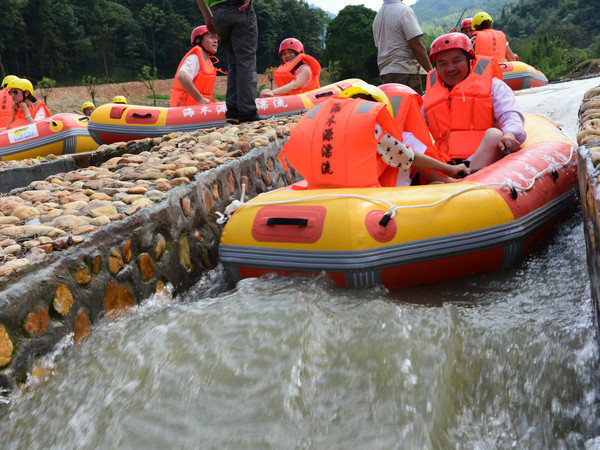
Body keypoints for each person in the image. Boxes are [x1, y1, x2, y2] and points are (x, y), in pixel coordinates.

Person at [278, 84, 468, 189]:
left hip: (328, 193)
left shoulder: (328, 129)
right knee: (434, 184)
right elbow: (406, 157)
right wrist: (449, 170)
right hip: (375, 200)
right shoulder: (373, 128)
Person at [423, 33, 526, 170]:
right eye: (442, 64)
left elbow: (510, 114)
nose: (450, 68)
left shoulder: (493, 85)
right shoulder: (428, 97)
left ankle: (472, 177)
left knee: (494, 135)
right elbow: (415, 131)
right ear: (436, 68)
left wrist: (509, 134)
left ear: (469, 60)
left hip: (485, 158)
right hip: (447, 165)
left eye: (457, 61)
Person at [196, 0, 260, 123]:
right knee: (245, 60)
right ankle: (247, 112)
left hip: (217, 12)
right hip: (238, 7)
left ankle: (233, 111)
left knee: (234, 61)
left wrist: (207, 16)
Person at [372, 0, 432, 95]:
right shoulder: (404, 10)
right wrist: (431, 72)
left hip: (386, 74)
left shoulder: (377, 17)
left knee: (395, 109)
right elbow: (416, 45)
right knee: (413, 108)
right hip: (405, 71)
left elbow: (378, 47)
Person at [170, 25, 219, 107]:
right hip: (186, 111)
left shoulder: (207, 61)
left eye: (216, 38)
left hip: (197, 109)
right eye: (211, 37)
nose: (215, 41)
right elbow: (181, 76)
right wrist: (200, 99)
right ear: (198, 40)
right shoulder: (194, 58)